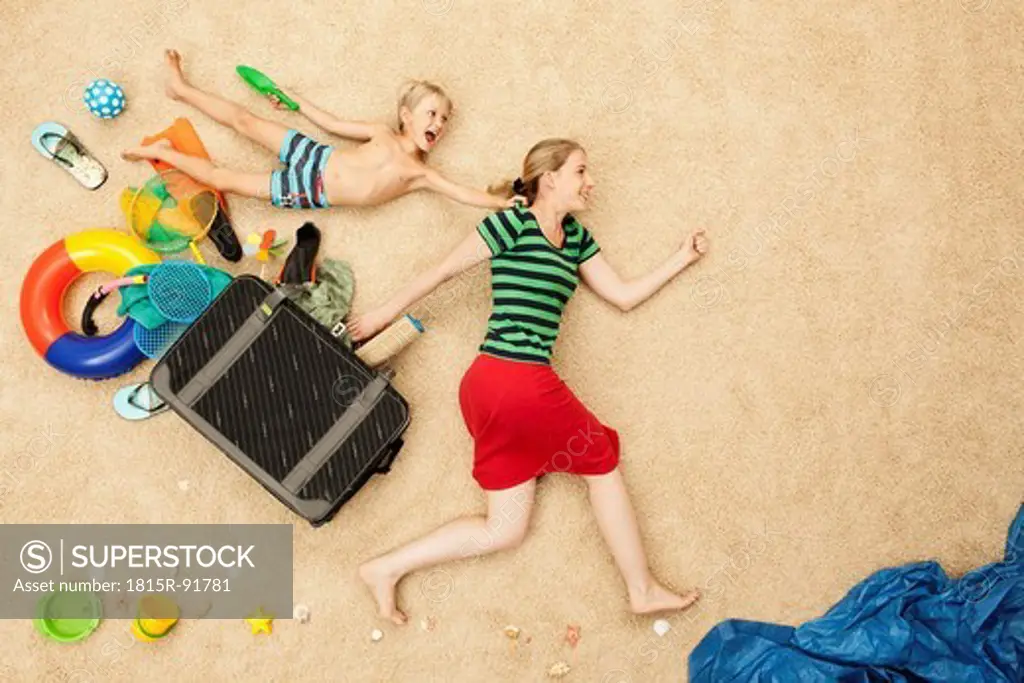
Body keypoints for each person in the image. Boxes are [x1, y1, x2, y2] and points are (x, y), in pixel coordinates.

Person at [348, 138, 709, 624]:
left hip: (495, 390)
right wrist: (379, 317)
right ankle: (640, 589)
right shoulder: (512, 223)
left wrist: (680, 258)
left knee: (505, 530)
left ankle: (385, 568)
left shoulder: (576, 238)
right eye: (582, 170)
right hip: (510, 374)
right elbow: (442, 271)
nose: (591, 181)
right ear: (550, 178)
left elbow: (621, 295)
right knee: (600, 457)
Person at [121, 50, 522, 211]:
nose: (439, 123)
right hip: (314, 154)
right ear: (405, 115)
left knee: (225, 179)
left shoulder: (420, 174)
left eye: (444, 120)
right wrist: (292, 100)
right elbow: (332, 124)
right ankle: (181, 89)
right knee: (245, 120)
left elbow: (462, 193)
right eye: (432, 113)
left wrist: (501, 203)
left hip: (310, 191)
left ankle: (161, 152)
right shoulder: (381, 132)